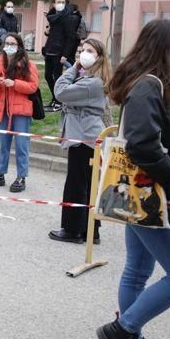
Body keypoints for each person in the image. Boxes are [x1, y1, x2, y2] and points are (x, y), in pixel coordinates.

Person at [96, 19, 170, 339]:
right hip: (148, 195)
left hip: (147, 193)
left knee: (137, 272)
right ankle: (123, 331)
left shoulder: (168, 82)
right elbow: (142, 143)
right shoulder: (148, 86)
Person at [49, 38, 111, 243]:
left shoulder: (91, 82)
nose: (83, 54)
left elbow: (60, 91)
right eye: (82, 50)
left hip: (83, 137)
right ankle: (91, 230)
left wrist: (73, 68)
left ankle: (73, 229)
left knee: (76, 184)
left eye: (90, 51)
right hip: (86, 135)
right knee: (87, 184)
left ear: (99, 57)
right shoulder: (93, 79)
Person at [0, 33, 39, 193]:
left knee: (22, 145)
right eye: (7, 43)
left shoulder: (29, 65)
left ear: (19, 46)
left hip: (21, 110)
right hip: (2, 109)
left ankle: (21, 176)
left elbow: (32, 87)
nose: (9, 46)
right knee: (3, 145)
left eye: (13, 43)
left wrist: (15, 83)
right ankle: (0, 173)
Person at [42, 0, 80, 111]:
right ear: (54, 4)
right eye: (58, 2)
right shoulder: (52, 16)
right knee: (48, 76)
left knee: (57, 77)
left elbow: (71, 38)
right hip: (50, 50)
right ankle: (55, 98)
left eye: (62, 2)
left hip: (60, 52)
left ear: (66, 3)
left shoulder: (69, 18)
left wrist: (65, 54)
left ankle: (59, 101)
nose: (60, 4)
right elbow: (53, 33)